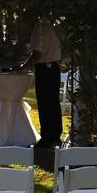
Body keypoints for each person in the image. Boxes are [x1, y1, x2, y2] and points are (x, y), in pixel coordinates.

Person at [17, 14, 62, 148]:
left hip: (44, 69)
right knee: (53, 102)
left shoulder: (39, 27)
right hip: (54, 67)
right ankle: (55, 135)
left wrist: (24, 66)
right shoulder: (51, 26)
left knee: (45, 102)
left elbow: (37, 53)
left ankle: (47, 138)